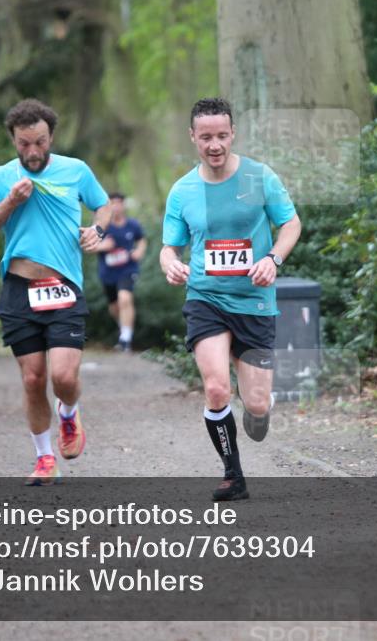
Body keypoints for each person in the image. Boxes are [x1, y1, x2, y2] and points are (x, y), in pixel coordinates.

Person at [160, 97, 302, 501]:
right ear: (193, 137)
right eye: (206, 137)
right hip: (205, 298)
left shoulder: (258, 177)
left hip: (254, 300)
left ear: (233, 133)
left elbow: (291, 223)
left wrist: (273, 259)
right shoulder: (182, 191)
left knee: (255, 404)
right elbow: (169, 247)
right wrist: (171, 264)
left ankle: (258, 410)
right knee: (217, 389)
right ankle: (232, 475)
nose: (215, 144)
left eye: (222, 135)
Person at [0, 99, 111, 486]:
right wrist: (10, 202)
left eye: (40, 142)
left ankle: (69, 413)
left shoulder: (75, 170)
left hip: (63, 286)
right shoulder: (1, 178)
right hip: (19, 289)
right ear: (13, 140)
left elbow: (102, 206)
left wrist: (97, 231)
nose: (33, 151)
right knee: (33, 379)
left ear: (52, 137)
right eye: (24, 143)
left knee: (63, 377)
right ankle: (45, 457)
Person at [96, 192, 146, 351]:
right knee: (114, 307)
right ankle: (124, 328)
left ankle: (125, 339)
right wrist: (102, 246)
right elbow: (88, 246)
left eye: (119, 203)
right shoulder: (102, 226)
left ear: (123, 205)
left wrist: (139, 251)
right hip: (108, 273)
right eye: (112, 203)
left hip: (128, 269)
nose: (116, 207)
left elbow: (141, 240)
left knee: (125, 298)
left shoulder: (133, 225)